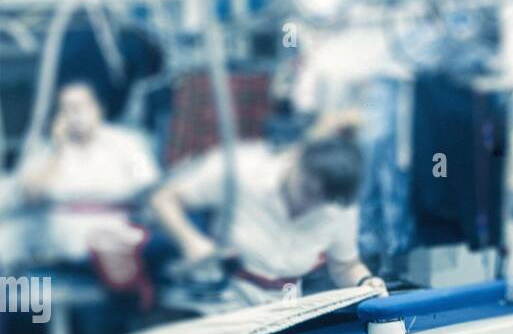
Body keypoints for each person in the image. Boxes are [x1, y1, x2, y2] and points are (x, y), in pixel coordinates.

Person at [150, 115, 382, 299]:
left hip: (285, 307)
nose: (310, 205)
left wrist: (366, 282)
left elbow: (344, 266)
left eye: (321, 200)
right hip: (225, 300)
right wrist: (190, 241)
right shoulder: (243, 170)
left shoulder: (338, 206)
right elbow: (164, 198)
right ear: (297, 159)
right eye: (307, 191)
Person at [17, 81, 159, 262]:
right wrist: (57, 150)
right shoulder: (47, 148)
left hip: (119, 239)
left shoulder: (129, 143)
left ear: (99, 108)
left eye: (80, 106)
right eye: (65, 108)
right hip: (59, 245)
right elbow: (30, 195)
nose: (74, 114)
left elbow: (150, 191)